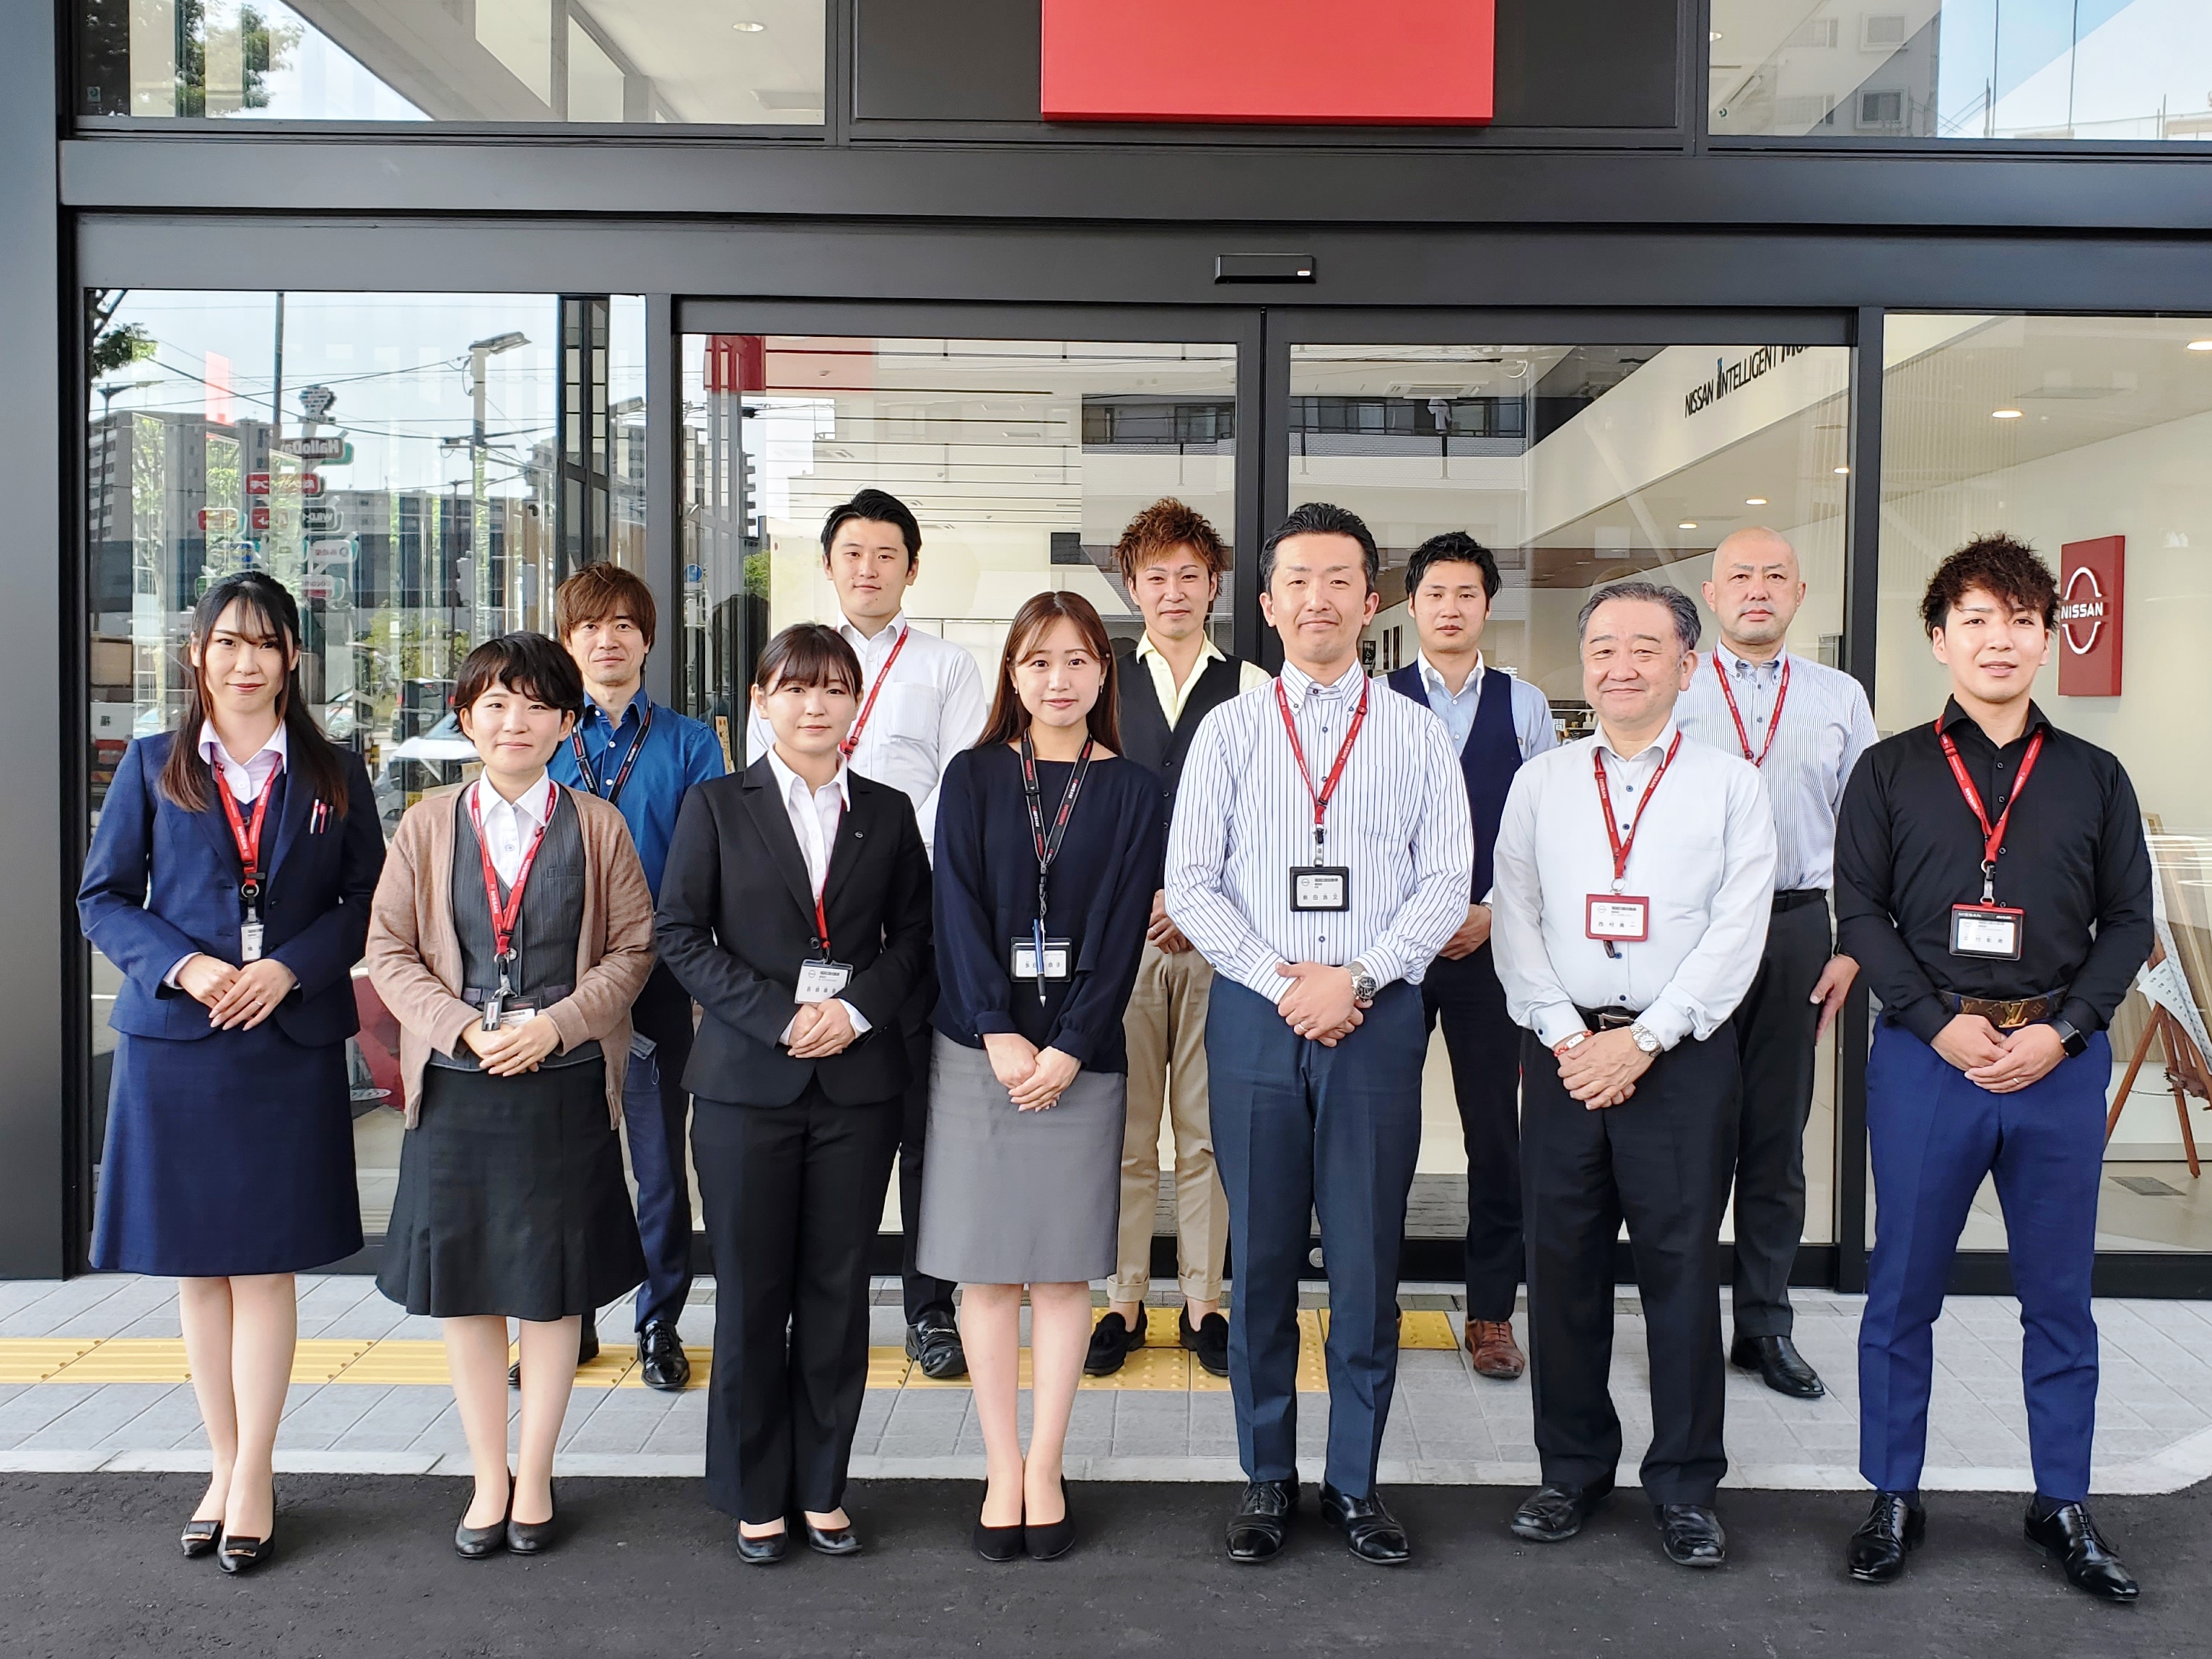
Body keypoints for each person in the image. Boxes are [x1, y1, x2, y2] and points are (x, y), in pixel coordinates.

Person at [1835, 536, 2152, 1600]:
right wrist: (1935, 1023)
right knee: (1901, 1291)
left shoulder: (2094, 776)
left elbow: (2127, 925)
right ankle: (1892, 1491)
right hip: (1931, 1059)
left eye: (2020, 618)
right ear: (1939, 639)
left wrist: (2062, 1030)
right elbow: (1859, 916)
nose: (1999, 638)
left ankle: (2060, 1496)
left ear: (2048, 637)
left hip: (2056, 1061)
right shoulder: (1887, 769)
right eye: (1974, 618)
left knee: (2059, 1297)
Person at [1166, 502, 1471, 1568]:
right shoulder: (1232, 729)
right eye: (1296, 579)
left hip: (1377, 1016)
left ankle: (1354, 1480)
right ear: (1264, 603)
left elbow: (1446, 883)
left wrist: (1364, 975)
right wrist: (1281, 980)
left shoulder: (1417, 732)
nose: (1316, 598)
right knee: (1258, 1263)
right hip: (1256, 1013)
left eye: (1339, 579)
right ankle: (1265, 1475)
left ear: (1369, 600)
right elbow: (1191, 883)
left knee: (1366, 1261)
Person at [78, 572, 383, 1575]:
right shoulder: (157, 764)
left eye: (266, 643)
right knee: (197, 1266)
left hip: (282, 1038)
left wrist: (288, 966)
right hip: (179, 1040)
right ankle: (223, 1460)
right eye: (227, 643)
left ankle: (254, 1469)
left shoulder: (336, 771)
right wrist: (187, 961)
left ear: (293, 655)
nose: (245, 661)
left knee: (263, 1263)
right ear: (197, 653)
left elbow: (364, 899)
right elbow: (106, 896)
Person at [1490, 580, 1775, 1571]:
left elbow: (1737, 936)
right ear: (1584, 666)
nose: (1621, 665)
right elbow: (1515, 916)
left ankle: (1687, 1483)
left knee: (1681, 1272)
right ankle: (1570, 1469)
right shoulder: (1542, 781)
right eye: (1603, 647)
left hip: (1682, 1057)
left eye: (1645, 648)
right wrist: (1572, 1036)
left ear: (1685, 666)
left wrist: (1645, 1037)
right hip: (1565, 1054)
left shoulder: (1730, 783)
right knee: (1560, 1267)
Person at [366, 632, 654, 1559]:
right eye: (494, 703)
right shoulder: (425, 823)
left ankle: (536, 1472)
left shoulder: (599, 824)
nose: (513, 721)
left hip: (562, 1083)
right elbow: (389, 951)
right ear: (465, 718)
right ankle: (486, 1474)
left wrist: (555, 1026)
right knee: (469, 1291)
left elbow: (633, 951)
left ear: (567, 724)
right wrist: (462, 1027)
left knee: (551, 1287)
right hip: (455, 1087)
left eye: (535, 705)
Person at [656, 624, 933, 1564]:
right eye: (794, 687)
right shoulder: (715, 805)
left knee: (836, 1292)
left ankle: (823, 1485)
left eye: (833, 688)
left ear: (856, 703)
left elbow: (915, 943)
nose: (814, 704)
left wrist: (853, 1011)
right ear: (761, 702)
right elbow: (680, 934)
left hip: (855, 1086)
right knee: (749, 1293)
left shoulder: (889, 813)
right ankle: (753, 1490)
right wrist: (779, 1014)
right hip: (745, 1084)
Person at [920, 590, 1161, 1562]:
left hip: (1082, 1056)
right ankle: (999, 1463)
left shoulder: (1136, 788)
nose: (1056, 679)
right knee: (987, 1271)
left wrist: (1065, 1043)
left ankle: (1047, 1462)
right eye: (1037, 661)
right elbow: (955, 909)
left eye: (1075, 661)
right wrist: (995, 1029)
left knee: (1062, 1273)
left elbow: (1117, 933)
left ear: (1103, 674)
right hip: (978, 1051)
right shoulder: (974, 776)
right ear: (1011, 674)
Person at [751, 488, 989, 1380]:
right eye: (852, 553)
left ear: (911, 569)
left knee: (924, 1127)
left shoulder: (946, 666)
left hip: (916, 913)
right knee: (824, 1123)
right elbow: (761, 791)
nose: (867, 568)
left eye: (886, 554)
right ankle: (818, 1305)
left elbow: (961, 785)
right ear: (828, 564)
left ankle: (930, 1307)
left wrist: (884, 848)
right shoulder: (789, 666)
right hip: (816, 923)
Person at [1674, 527, 1879, 1401]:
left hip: (1797, 929)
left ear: (1798, 593)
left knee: (1774, 1138)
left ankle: (1763, 1323)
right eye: (1738, 578)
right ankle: (1680, 1324)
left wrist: (1851, 946)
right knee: (1682, 1135)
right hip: (1691, 934)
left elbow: (1870, 833)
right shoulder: (1675, 689)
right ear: (1712, 596)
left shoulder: (1838, 696)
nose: (1756, 590)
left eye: (1773, 577)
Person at [1085, 499, 1267, 1383]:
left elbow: (1264, 826)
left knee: (1203, 1133)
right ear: (1131, 586)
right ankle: (1122, 1297)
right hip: (1118, 941)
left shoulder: (1255, 689)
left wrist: (1199, 906)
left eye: (1188, 575)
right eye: (1154, 576)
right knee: (1122, 1131)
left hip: (1217, 941)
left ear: (1213, 586)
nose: (1172, 591)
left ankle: (1204, 1300)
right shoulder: (1096, 681)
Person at [546, 562, 726, 1391]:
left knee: (658, 1163)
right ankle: (567, 1320)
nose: (606, 639)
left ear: (647, 638)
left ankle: (658, 1322)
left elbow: (705, 865)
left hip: (656, 973)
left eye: (624, 624)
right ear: (567, 638)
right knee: (567, 1154)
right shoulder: (543, 733)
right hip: (556, 979)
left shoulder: (690, 742)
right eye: (590, 625)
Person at [1383, 530, 1556, 1381]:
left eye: (1465, 594)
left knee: (1495, 1136)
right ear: (1409, 606)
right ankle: (1371, 1297)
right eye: (1434, 594)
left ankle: (1490, 1312)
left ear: (1487, 606)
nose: (1449, 609)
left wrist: (1490, 911)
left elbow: (1540, 831)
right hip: (1393, 956)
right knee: (1378, 1131)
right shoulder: (1372, 698)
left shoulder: (1524, 706)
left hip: (1488, 948)